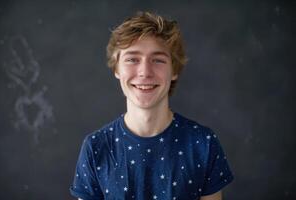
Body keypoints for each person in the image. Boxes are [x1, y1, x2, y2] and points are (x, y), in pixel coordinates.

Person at [70, 11, 234, 200]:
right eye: (132, 59)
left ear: (174, 70)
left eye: (158, 60)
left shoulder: (203, 143)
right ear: (116, 69)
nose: (145, 72)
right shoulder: (95, 148)